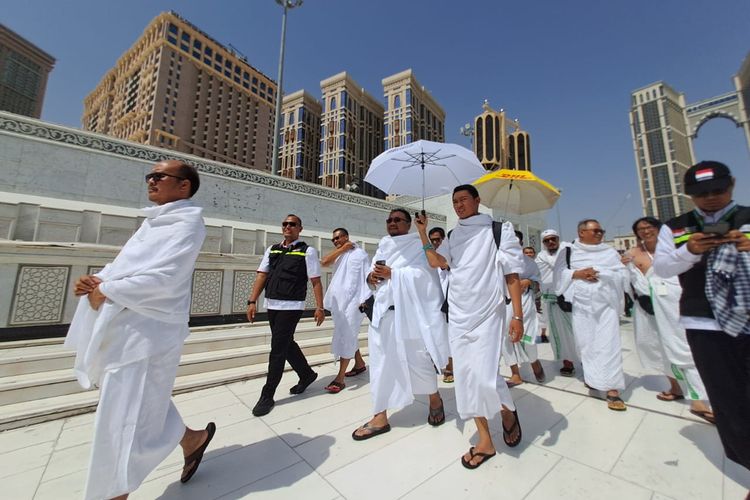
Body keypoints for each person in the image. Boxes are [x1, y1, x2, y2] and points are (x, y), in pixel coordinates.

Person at [65, 160, 214, 499]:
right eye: (150, 175)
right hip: (126, 325)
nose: (151, 180)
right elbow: (124, 268)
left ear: (183, 187)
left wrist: (107, 290)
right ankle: (193, 440)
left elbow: (165, 277)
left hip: (151, 331)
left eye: (160, 176)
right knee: (140, 400)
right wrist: (97, 281)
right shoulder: (154, 223)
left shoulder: (187, 224)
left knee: (123, 418)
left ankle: (113, 493)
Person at [418, 185, 524, 470]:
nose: (458, 205)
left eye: (464, 199)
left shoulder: (499, 230)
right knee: (466, 377)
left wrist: (518, 316)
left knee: (485, 376)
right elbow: (436, 262)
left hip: (488, 313)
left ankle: (507, 411)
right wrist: (422, 231)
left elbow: (512, 274)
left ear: (478, 201)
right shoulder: (452, 235)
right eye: (454, 201)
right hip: (460, 315)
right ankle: (486, 439)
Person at [653, 161, 750, 471]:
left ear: (731, 185)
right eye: (701, 193)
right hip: (704, 322)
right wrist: (690, 250)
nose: (710, 198)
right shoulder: (677, 227)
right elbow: (663, 268)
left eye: (717, 190)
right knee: (727, 400)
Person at [351, 209, 449, 440]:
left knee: (418, 359)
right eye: (389, 220)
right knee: (381, 363)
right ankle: (380, 415)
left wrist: (393, 273)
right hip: (384, 313)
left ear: (408, 224)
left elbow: (425, 276)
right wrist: (370, 278)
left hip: (410, 313)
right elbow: (374, 272)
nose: (392, 223)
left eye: (397, 220)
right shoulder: (384, 244)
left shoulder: (417, 244)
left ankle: (434, 397)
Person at [624, 217, 713, 422]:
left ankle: (698, 399)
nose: (646, 231)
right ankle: (675, 386)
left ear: (660, 229)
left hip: (676, 304)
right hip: (648, 307)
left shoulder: (676, 249)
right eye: (640, 229)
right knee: (657, 346)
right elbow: (627, 282)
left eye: (650, 227)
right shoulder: (632, 254)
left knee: (682, 346)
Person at [247, 214, 325, 417]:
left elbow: (315, 280)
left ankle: (267, 394)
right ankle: (306, 374)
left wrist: (320, 307)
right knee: (286, 343)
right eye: (285, 224)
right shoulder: (272, 249)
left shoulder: (308, 251)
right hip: (272, 303)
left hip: (292, 306)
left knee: (277, 349)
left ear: (300, 228)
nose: (288, 227)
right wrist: (252, 301)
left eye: (292, 224)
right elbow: (262, 275)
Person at [554, 219, 629, 411]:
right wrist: (577, 274)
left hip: (606, 306)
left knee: (609, 345)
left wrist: (602, 273)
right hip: (583, 305)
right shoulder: (569, 250)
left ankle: (612, 390)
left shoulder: (610, 252)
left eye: (600, 230)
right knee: (586, 345)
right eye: (595, 231)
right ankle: (594, 379)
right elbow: (559, 274)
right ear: (581, 233)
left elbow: (622, 275)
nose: (599, 234)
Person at [320, 227, 371, 393]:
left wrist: (364, 299)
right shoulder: (339, 256)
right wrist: (342, 249)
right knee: (345, 333)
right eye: (333, 239)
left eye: (338, 238)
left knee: (346, 335)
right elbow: (324, 262)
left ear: (347, 236)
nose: (335, 241)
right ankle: (360, 363)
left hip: (355, 303)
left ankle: (340, 378)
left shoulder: (360, 255)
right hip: (339, 304)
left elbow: (366, 276)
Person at [503, 231, 545, 386]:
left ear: (520, 243)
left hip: (524, 304)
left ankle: (534, 362)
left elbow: (538, 284)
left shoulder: (530, 263)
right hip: (504, 305)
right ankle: (515, 374)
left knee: (527, 338)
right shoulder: (498, 260)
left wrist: (527, 282)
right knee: (505, 339)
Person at [536, 229, 578, 373]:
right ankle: (567, 362)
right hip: (551, 301)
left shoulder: (569, 252)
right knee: (558, 334)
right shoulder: (540, 257)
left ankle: (586, 361)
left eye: (553, 239)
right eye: (546, 240)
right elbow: (542, 277)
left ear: (558, 239)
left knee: (576, 331)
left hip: (569, 298)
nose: (550, 242)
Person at [429, 226, 454, 383]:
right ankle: (438, 363)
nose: (435, 242)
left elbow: (444, 266)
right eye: (432, 240)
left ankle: (449, 368)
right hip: (433, 305)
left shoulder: (450, 254)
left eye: (438, 239)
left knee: (449, 337)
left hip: (451, 304)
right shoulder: (428, 258)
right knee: (436, 336)